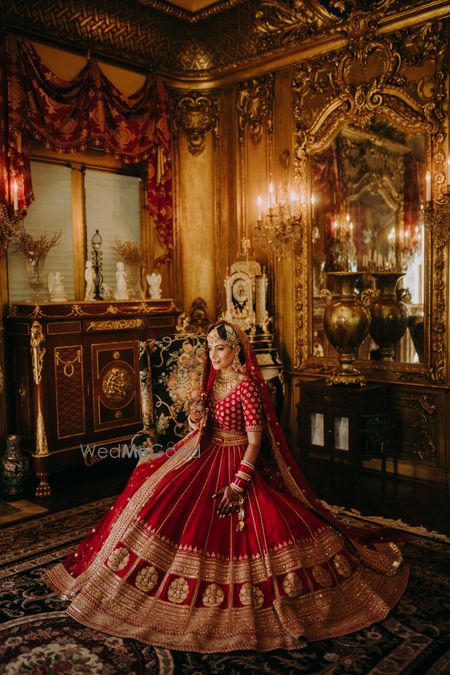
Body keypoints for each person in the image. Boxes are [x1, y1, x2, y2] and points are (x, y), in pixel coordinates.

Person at [44, 321, 408, 652]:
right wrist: (196, 416)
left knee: (266, 525)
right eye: (210, 348)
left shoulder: (246, 387)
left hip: (236, 461)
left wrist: (238, 483)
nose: (213, 355)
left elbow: (254, 441)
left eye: (219, 348)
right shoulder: (214, 381)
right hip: (207, 452)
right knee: (161, 498)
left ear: (237, 350)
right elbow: (200, 425)